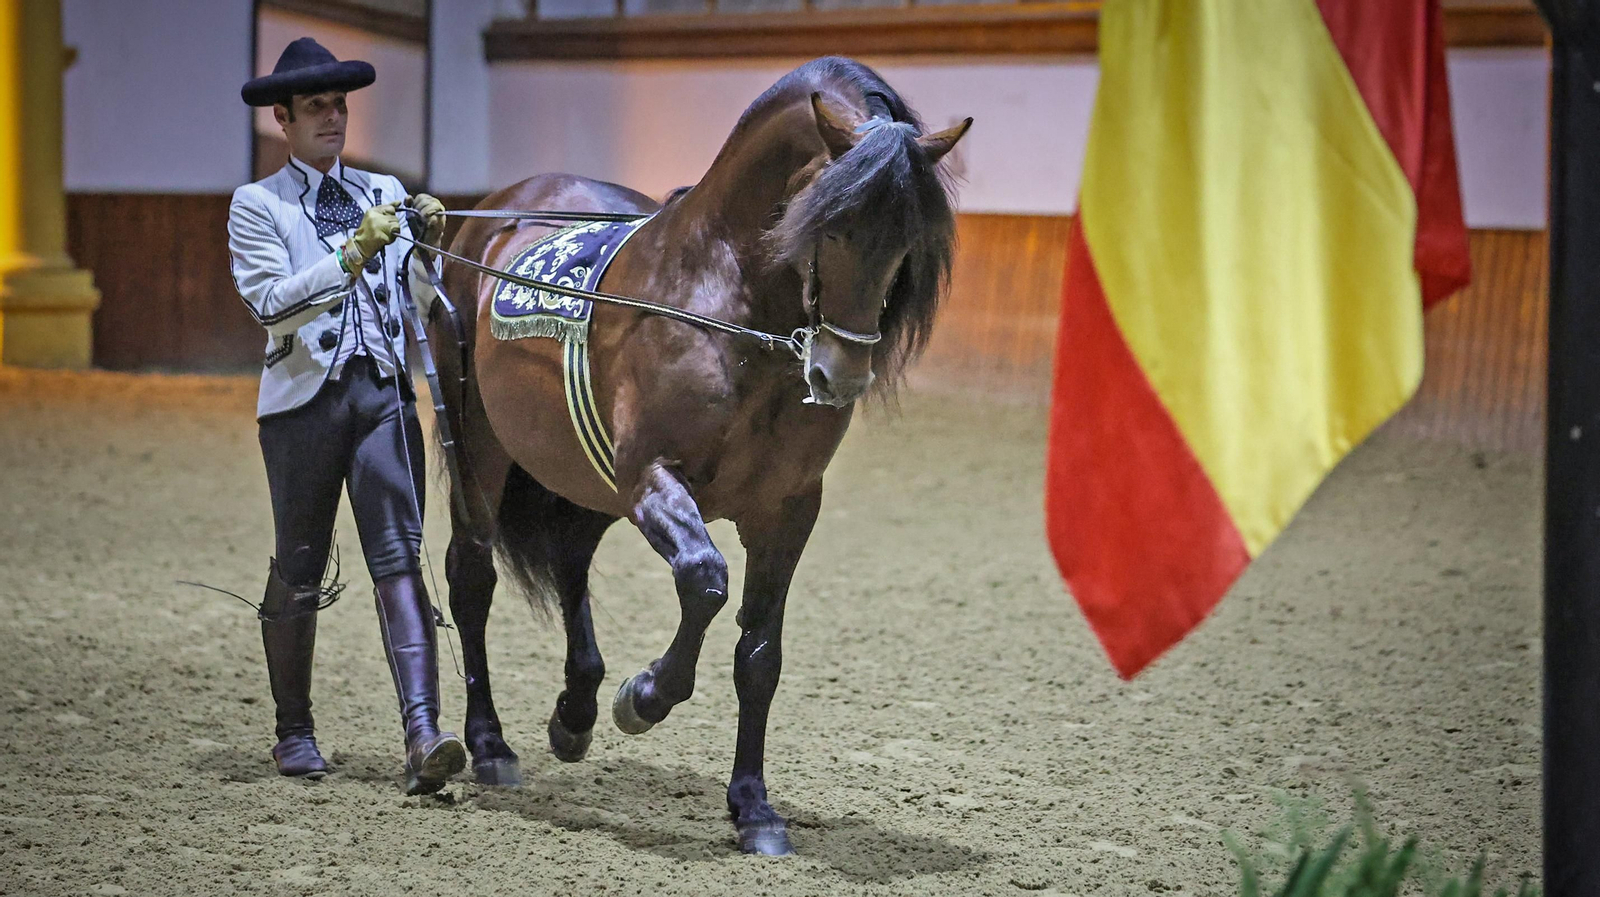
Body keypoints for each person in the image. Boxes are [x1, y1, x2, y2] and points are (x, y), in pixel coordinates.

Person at [228, 37, 462, 795]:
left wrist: (427, 248)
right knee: (299, 565)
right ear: (284, 119)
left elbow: (418, 302)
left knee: (399, 558)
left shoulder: (383, 191)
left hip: (381, 397)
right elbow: (271, 302)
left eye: (339, 104)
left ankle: (423, 732)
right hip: (301, 406)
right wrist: (355, 253)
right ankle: (293, 729)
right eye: (316, 106)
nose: (332, 116)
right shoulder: (256, 206)